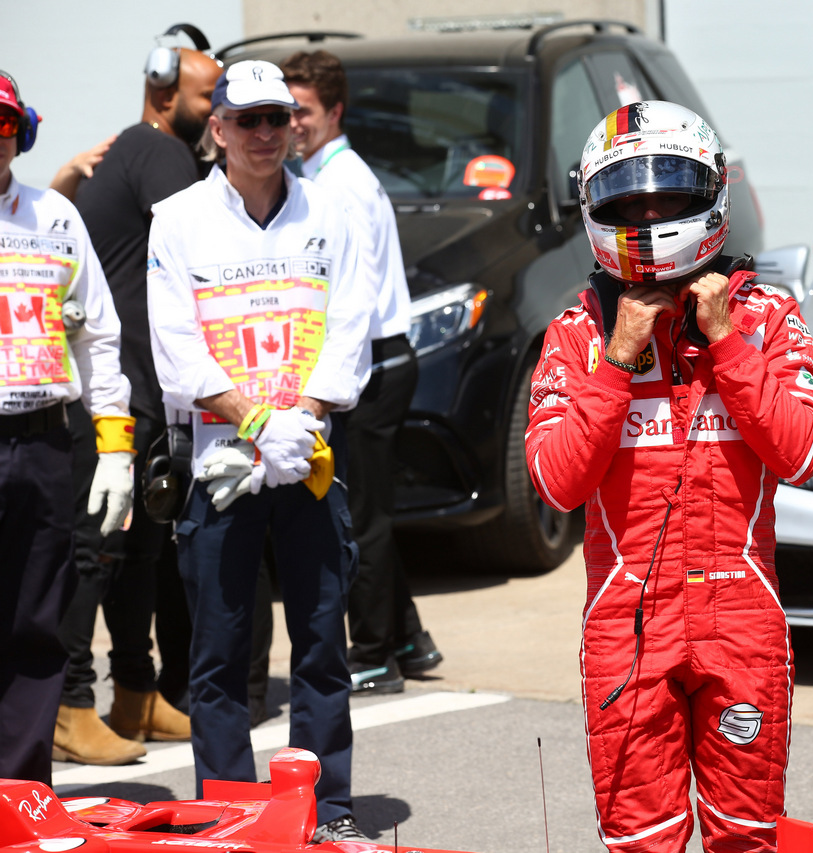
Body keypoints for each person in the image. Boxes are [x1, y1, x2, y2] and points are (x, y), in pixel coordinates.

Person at [525, 100, 813, 853]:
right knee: (642, 841)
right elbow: (558, 485)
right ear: (598, 206)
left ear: (713, 195)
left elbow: (801, 453)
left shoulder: (768, 318)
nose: (652, 213)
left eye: (670, 196)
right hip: (628, 629)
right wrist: (619, 358)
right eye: (631, 198)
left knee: (747, 838)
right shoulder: (577, 335)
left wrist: (726, 345)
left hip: (743, 622)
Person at [146, 59, 373, 842]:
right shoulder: (177, 219)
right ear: (218, 129)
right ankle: (231, 816)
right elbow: (175, 350)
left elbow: (351, 327)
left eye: (277, 118)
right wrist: (254, 423)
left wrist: (298, 420)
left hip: (307, 456)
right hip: (220, 462)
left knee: (320, 643)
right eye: (249, 120)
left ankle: (327, 809)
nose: (267, 134)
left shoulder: (331, 211)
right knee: (219, 656)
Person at [48, 44, 223, 768]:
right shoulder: (158, 151)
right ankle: (68, 702)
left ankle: (136, 693)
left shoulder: (137, 150)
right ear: (163, 94)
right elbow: (209, 236)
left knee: (141, 554)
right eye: (210, 97)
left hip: (143, 387)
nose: (221, 114)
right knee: (97, 553)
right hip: (119, 392)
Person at [281, 49, 442, 695]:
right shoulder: (333, 173)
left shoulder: (338, 185)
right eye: (285, 110)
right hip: (380, 359)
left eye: (303, 112)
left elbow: (351, 291)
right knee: (368, 507)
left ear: (334, 112)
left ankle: (374, 653)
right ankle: (408, 637)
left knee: (359, 518)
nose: (290, 123)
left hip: (371, 364)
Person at [0, 69, 134, 784]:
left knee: (35, 620)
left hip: (45, 439)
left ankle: (21, 790)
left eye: (0, 127)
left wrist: (116, 448)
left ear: (20, 133)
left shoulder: (54, 217)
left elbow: (100, 336)